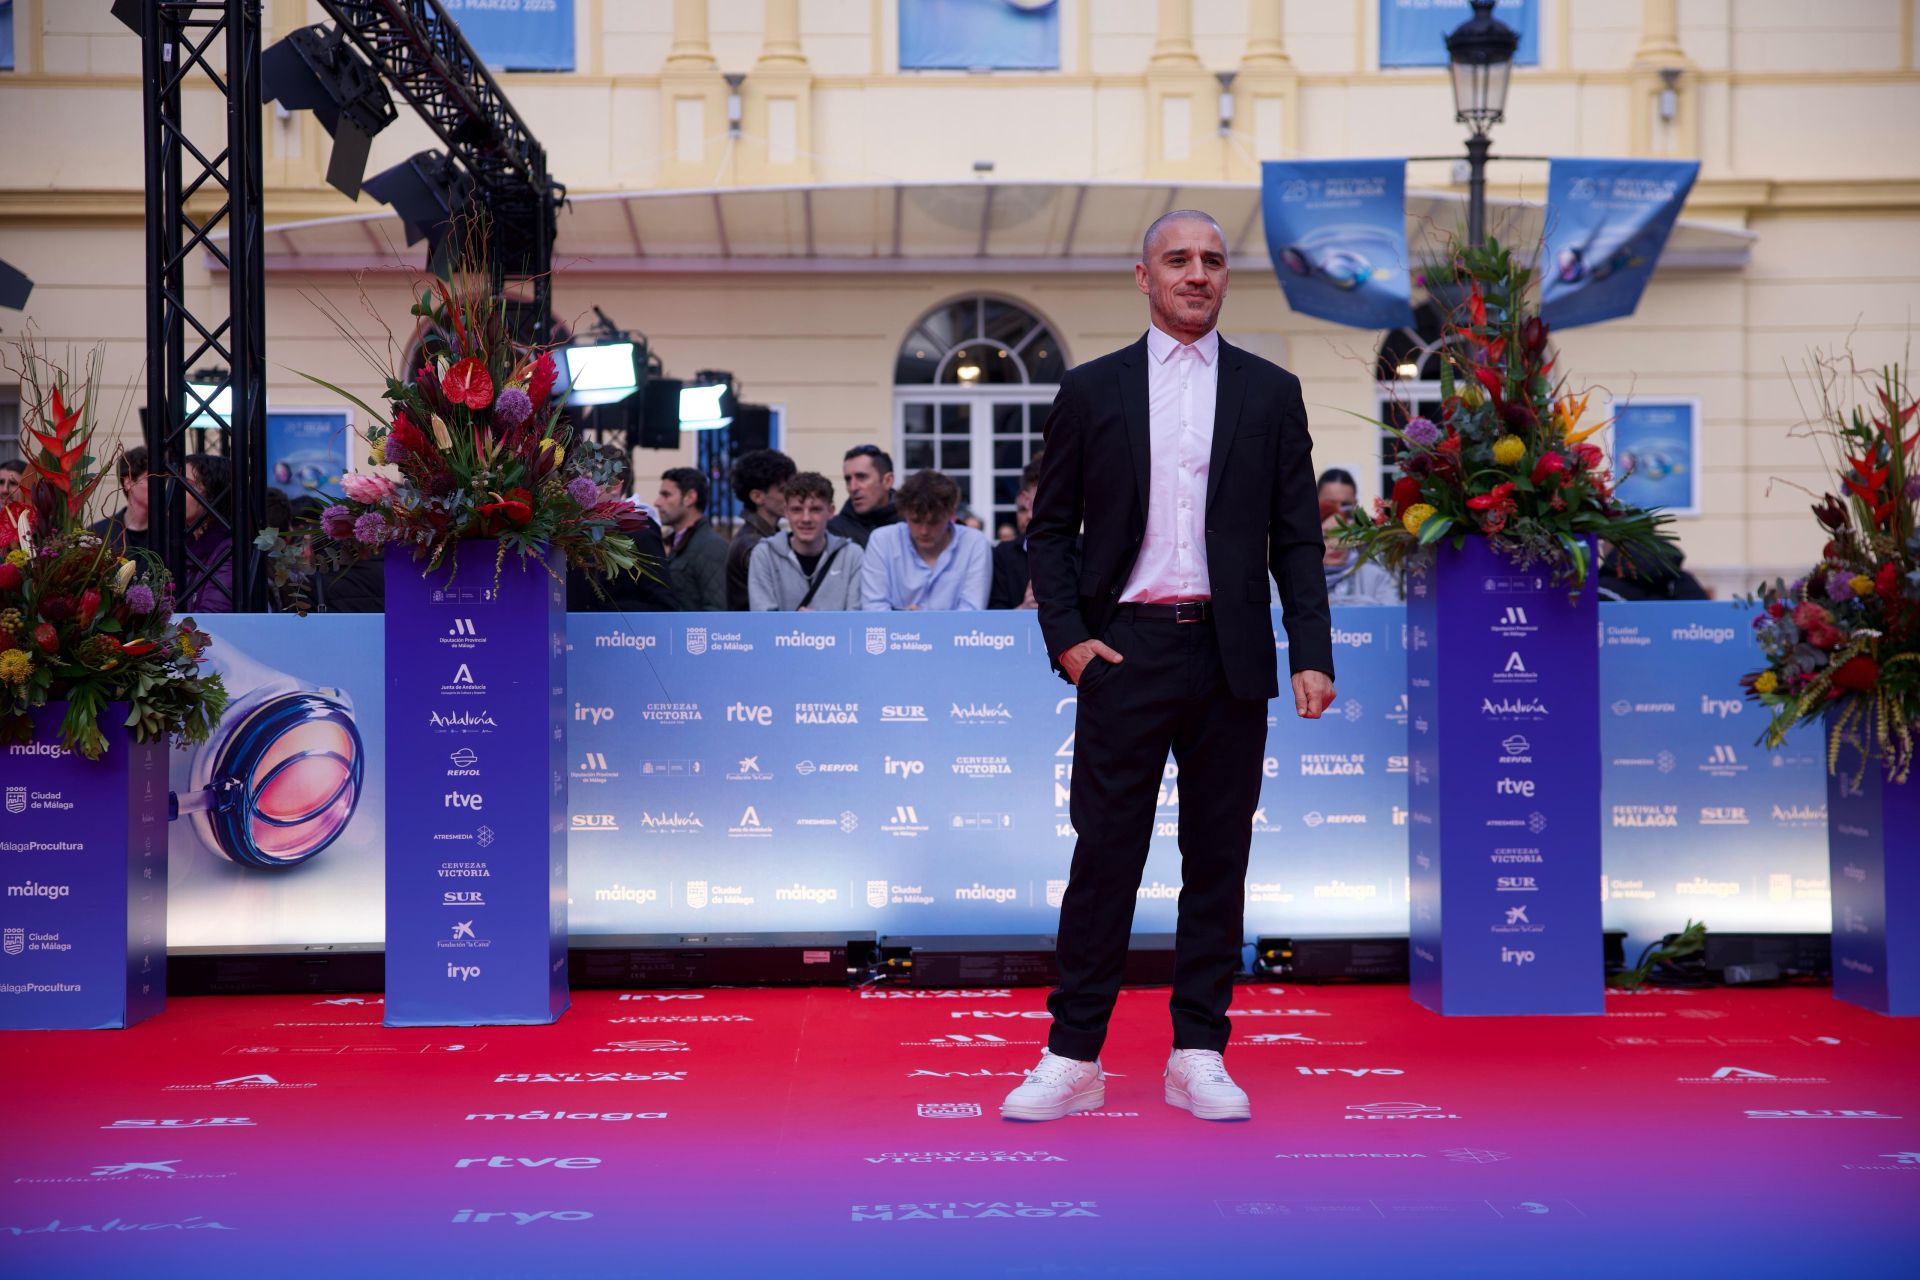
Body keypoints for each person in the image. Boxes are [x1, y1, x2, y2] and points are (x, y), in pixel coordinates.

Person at [1007, 208, 1335, 1125]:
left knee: (1216, 861)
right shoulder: (1092, 388)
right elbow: (1051, 530)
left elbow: (1298, 539)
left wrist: (1311, 648)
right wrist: (1069, 640)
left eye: (1214, 261)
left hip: (1232, 653)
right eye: (1179, 260)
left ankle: (1198, 1052)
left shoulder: (1272, 392)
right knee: (1105, 859)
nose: (1198, 273)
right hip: (1126, 651)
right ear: (1143, 276)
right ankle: (1072, 1057)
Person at [568, 446, 680, 615]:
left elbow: (664, 606)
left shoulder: (640, 529)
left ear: (614, 487)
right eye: (576, 481)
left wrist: (602, 614)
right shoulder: (570, 528)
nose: (577, 488)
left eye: (588, 479)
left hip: (617, 637)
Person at [859, 468, 990, 611]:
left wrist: (917, 620)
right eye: (915, 521)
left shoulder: (974, 543)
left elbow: (971, 614)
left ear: (952, 512)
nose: (924, 531)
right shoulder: (882, 541)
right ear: (905, 513)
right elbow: (873, 610)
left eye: (934, 522)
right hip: (898, 634)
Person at [747, 471, 864, 611]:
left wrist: (817, 624)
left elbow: (856, 622)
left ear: (831, 511)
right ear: (786, 512)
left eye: (815, 510)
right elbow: (763, 621)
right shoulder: (764, 555)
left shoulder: (852, 555)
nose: (806, 519)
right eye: (797, 510)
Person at [725, 448, 795, 610]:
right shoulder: (753, 545)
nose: (792, 496)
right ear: (757, 497)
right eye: (783, 490)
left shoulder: (764, 536)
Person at [656, 466, 726, 613]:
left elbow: (716, 612)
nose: (657, 502)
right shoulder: (673, 542)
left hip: (693, 634)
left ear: (690, 498)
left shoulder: (711, 546)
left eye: (666, 495)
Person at [988, 452, 1045, 610]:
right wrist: (1024, 609)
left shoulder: (1086, 551)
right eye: (1022, 509)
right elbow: (991, 625)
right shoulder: (1002, 555)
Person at [180, 452, 234, 613]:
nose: (175, 491)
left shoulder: (228, 549)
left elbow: (213, 617)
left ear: (211, 495)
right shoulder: (179, 541)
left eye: (186, 484)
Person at [1320, 498, 1400, 604]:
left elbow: (1392, 616)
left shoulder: (1376, 577)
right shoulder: (1301, 581)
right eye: (1325, 537)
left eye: (1340, 534)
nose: (1335, 544)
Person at [827, 444, 899, 547]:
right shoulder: (833, 532)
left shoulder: (913, 526)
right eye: (848, 479)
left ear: (887, 481)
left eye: (861, 477)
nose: (853, 488)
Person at [91, 447, 151, 555]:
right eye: (150, 479)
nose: (159, 486)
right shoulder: (98, 534)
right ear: (128, 482)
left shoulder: (173, 533)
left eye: (163, 480)